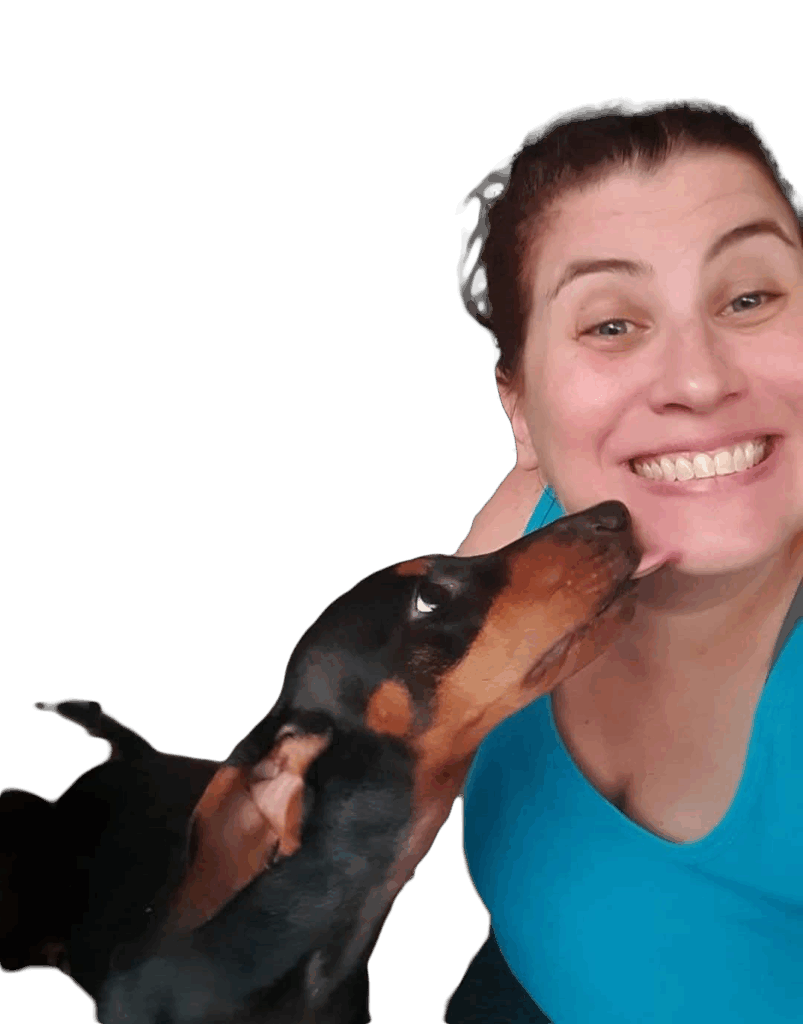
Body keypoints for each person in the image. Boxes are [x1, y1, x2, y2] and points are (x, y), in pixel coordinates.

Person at [444, 100, 803, 1023]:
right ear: (521, 412)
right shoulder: (515, 535)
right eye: (610, 324)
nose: (699, 381)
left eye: (749, 299)